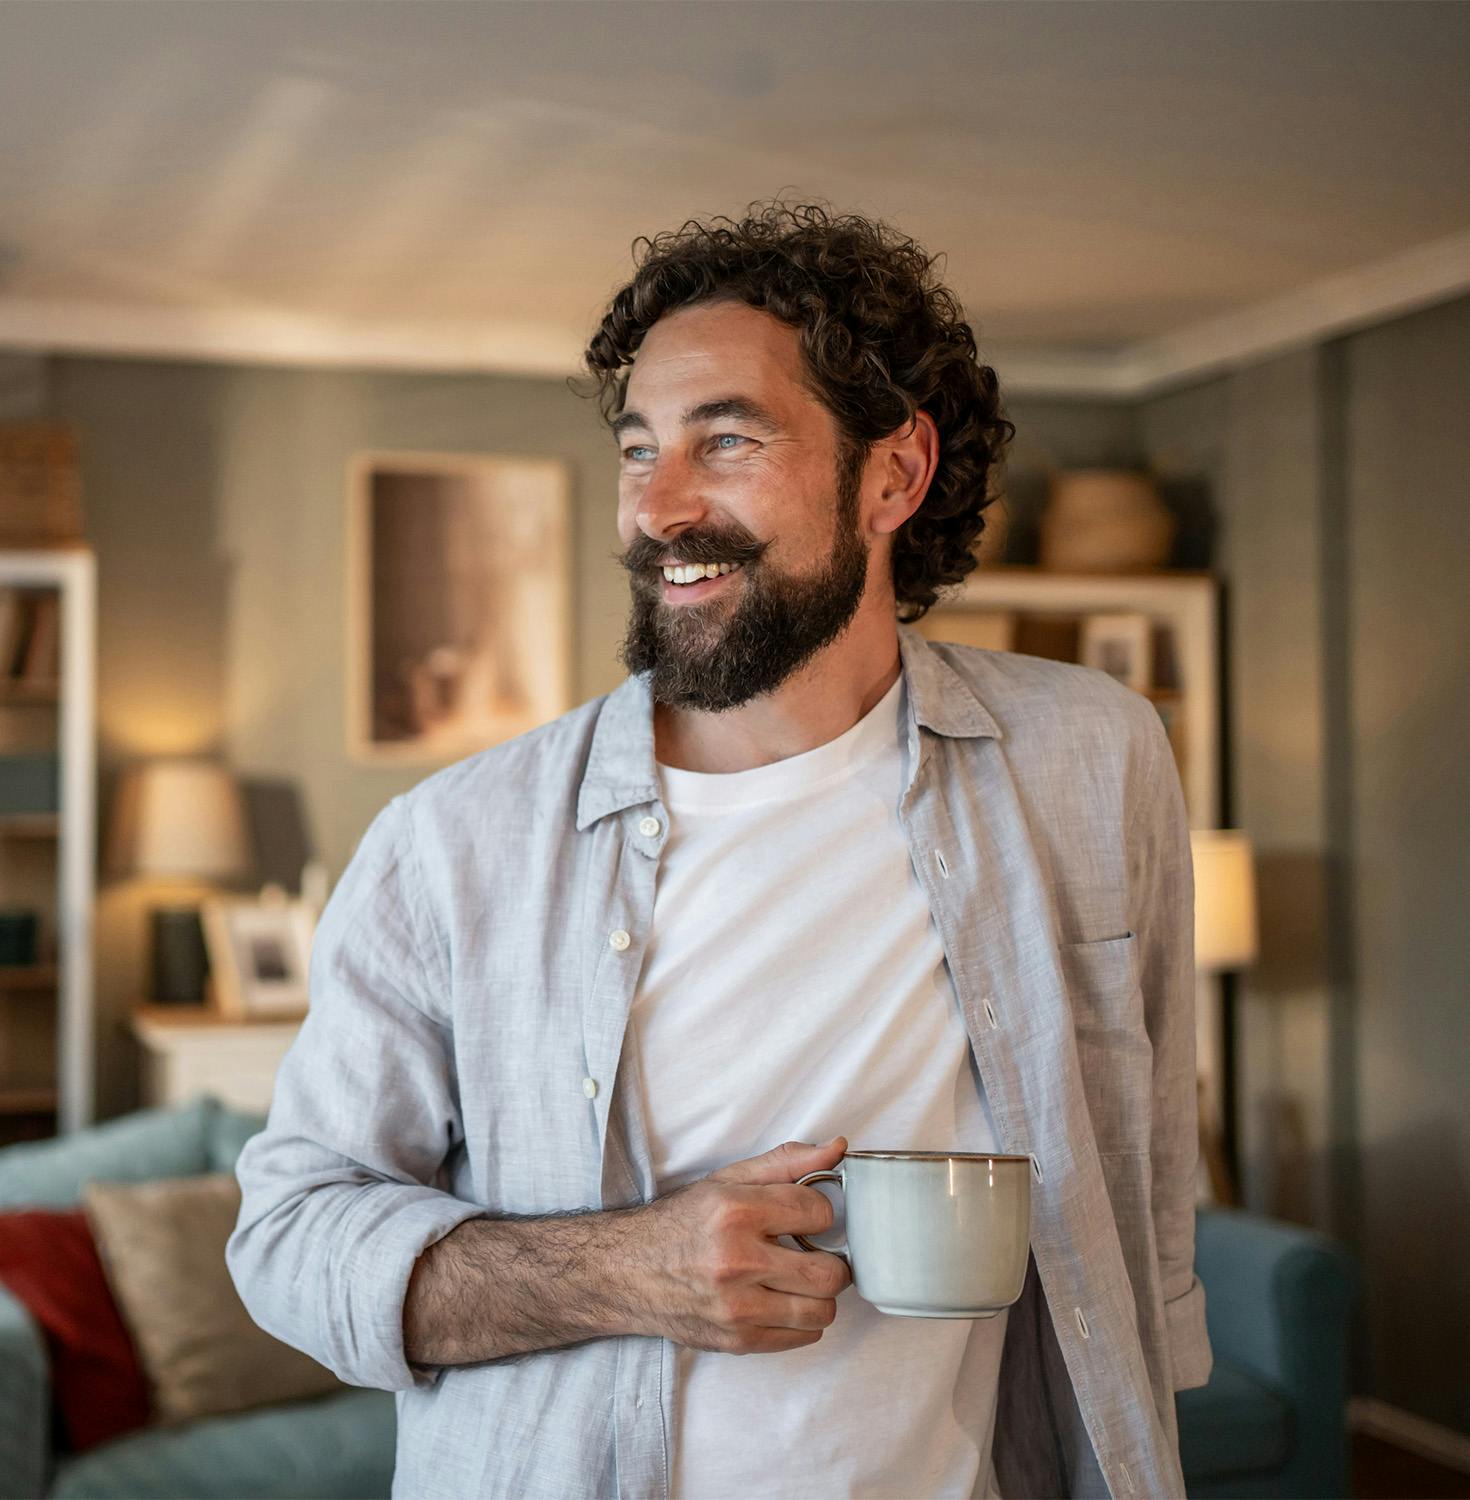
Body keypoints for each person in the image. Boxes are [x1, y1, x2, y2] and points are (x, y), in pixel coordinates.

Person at [227, 201, 1211, 1500]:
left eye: (726, 441)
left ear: (891, 476)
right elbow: (291, 1239)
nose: (659, 508)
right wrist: (629, 1267)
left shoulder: (1086, 759)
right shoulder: (454, 845)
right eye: (639, 452)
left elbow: (1138, 1162)